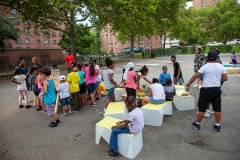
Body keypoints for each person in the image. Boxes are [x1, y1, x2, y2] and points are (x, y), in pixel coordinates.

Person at [186, 51, 228, 132]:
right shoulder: (221, 66)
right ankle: (217, 125)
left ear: (207, 58)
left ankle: (197, 123)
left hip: (206, 89)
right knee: (217, 108)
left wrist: (188, 84)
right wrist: (218, 80)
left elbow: (196, 76)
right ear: (216, 58)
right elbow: (225, 78)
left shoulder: (205, 66)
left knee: (202, 108)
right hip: (216, 89)